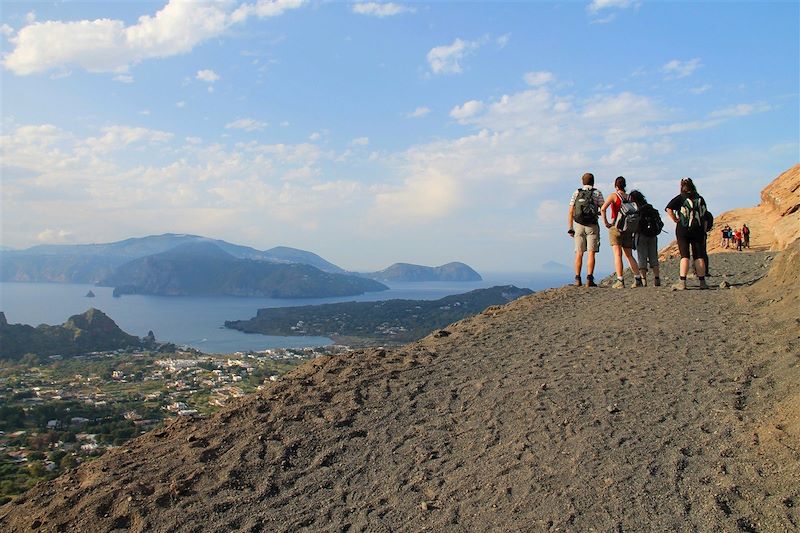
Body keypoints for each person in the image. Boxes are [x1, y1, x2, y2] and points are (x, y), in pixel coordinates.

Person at [665, 177, 709, 290]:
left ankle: (682, 282)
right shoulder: (700, 199)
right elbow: (705, 217)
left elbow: (668, 208)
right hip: (698, 230)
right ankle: (702, 282)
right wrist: (703, 231)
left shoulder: (681, 198)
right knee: (699, 255)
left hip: (683, 230)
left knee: (684, 256)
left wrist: (674, 219)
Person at [601, 176, 643, 288]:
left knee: (617, 254)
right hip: (628, 229)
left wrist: (606, 222)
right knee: (629, 255)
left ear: (616, 186)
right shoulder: (630, 197)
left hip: (616, 227)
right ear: (625, 185)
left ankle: (620, 280)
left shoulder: (614, 196)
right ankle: (638, 278)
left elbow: (603, 208)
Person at [567, 172, 604, 287]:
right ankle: (589, 278)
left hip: (578, 225)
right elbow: (603, 208)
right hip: (592, 225)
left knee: (579, 252)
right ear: (593, 182)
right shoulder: (597, 193)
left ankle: (577, 278)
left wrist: (570, 228)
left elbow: (571, 211)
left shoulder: (576, 192)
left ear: (582, 182)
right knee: (591, 253)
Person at [628, 190, 661, 286]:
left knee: (641, 257)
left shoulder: (636, 210)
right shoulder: (650, 208)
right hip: (653, 235)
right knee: (653, 256)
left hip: (641, 235)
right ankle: (657, 278)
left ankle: (644, 280)